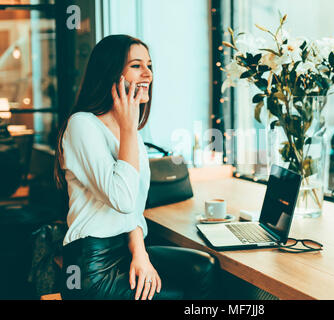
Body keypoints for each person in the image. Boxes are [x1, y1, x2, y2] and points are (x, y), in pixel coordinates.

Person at [53, 35, 218, 300]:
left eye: (149, 65)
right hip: (91, 268)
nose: (148, 74)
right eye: (136, 65)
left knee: (204, 268)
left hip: (126, 250)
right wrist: (128, 128)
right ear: (111, 73)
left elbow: (134, 211)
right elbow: (123, 199)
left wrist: (140, 253)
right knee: (185, 294)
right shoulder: (82, 125)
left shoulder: (132, 134)